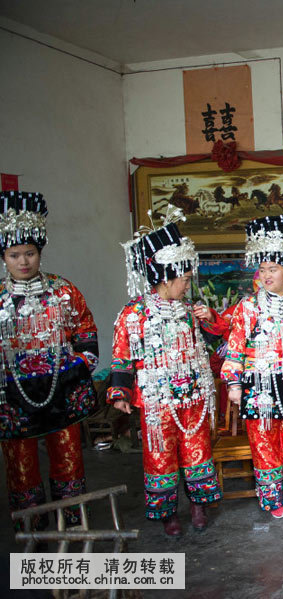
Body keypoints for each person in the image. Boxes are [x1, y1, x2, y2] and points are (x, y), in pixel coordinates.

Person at [108, 207, 221, 537]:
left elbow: (211, 343)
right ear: (166, 277)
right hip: (157, 403)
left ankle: (198, 505)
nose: (188, 285)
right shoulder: (134, 315)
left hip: (194, 396)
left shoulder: (188, 311)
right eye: (184, 279)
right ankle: (168, 513)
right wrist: (120, 393)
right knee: (161, 458)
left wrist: (210, 319)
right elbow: (122, 356)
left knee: (198, 452)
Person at [0, 191, 99, 528]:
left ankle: (72, 516)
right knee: (21, 461)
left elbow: (85, 328)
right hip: (12, 394)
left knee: (68, 456)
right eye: (15, 255)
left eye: (29, 253)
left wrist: (80, 365)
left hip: (62, 388)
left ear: (40, 253)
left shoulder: (63, 290)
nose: (23, 261)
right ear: (4, 257)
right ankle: (32, 525)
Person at [220, 215, 283, 518]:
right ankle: (273, 499)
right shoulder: (248, 306)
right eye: (262, 269)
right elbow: (235, 347)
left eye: (273, 269)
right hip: (259, 383)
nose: (266, 275)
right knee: (263, 440)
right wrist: (234, 384)